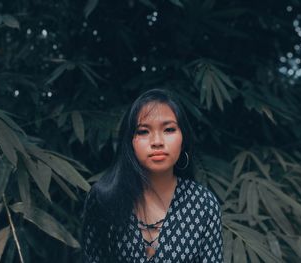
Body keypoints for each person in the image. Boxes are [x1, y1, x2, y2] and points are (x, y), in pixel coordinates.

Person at [82, 89, 223, 263]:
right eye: (143, 131)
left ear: (183, 138)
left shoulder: (203, 204)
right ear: (130, 141)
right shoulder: (104, 198)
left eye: (169, 129)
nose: (157, 141)